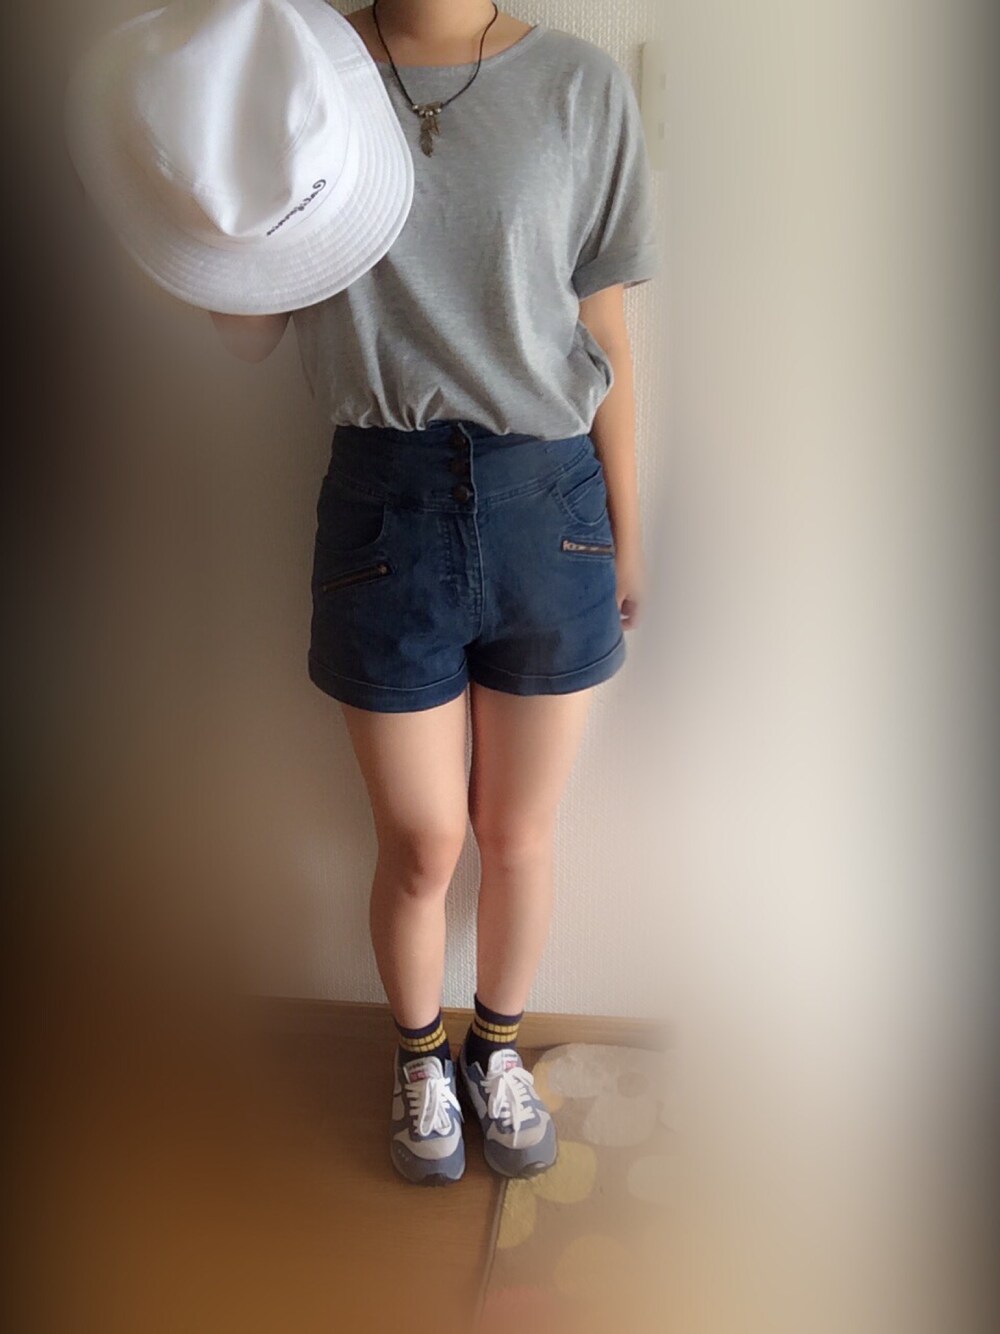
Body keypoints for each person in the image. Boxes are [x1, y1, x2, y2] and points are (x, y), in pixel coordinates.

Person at [211, 0, 659, 1186]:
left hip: (549, 500)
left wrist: (631, 529)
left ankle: (494, 1050)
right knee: (421, 841)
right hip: (384, 503)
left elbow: (605, 324)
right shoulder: (304, 76)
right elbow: (248, 327)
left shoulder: (579, 87)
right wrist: (197, 209)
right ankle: (419, 1057)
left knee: (517, 833)